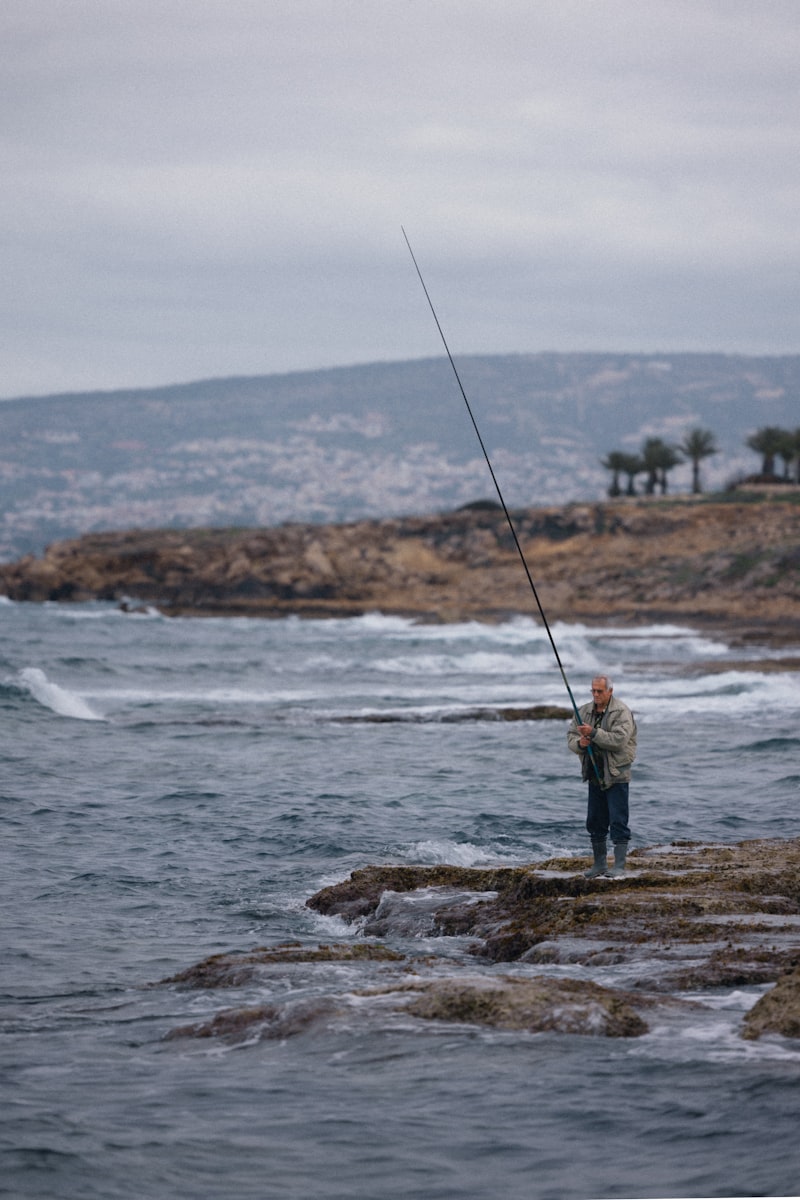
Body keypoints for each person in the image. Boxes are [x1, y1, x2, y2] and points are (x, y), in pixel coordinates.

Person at [566, 675, 637, 878]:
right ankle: (599, 865)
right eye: (593, 691)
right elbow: (571, 736)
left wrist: (594, 734)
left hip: (616, 774)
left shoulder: (621, 712)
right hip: (594, 773)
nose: (596, 695)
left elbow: (620, 740)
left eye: (600, 691)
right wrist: (581, 744)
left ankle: (619, 866)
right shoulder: (584, 711)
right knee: (595, 821)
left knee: (618, 820)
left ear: (610, 691)